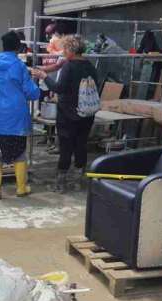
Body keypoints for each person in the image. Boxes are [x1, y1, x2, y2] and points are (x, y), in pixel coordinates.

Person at [0, 31, 40, 199]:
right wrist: (37, 86)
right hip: (16, 118)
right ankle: (21, 188)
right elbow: (32, 93)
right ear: (18, 47)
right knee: (19, 153)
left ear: (3, 45)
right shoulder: (20, 66)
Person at [33, 35, 98, 193]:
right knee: (81, 145)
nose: (63, 51)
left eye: (65, 48)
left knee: (66, 147)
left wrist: (44, 77)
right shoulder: (90, 66)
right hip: (87, 113)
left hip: (68, 113)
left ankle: (61, 183)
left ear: (70, 49)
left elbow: (59, 88)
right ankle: (77, 180)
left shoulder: (69, 66)